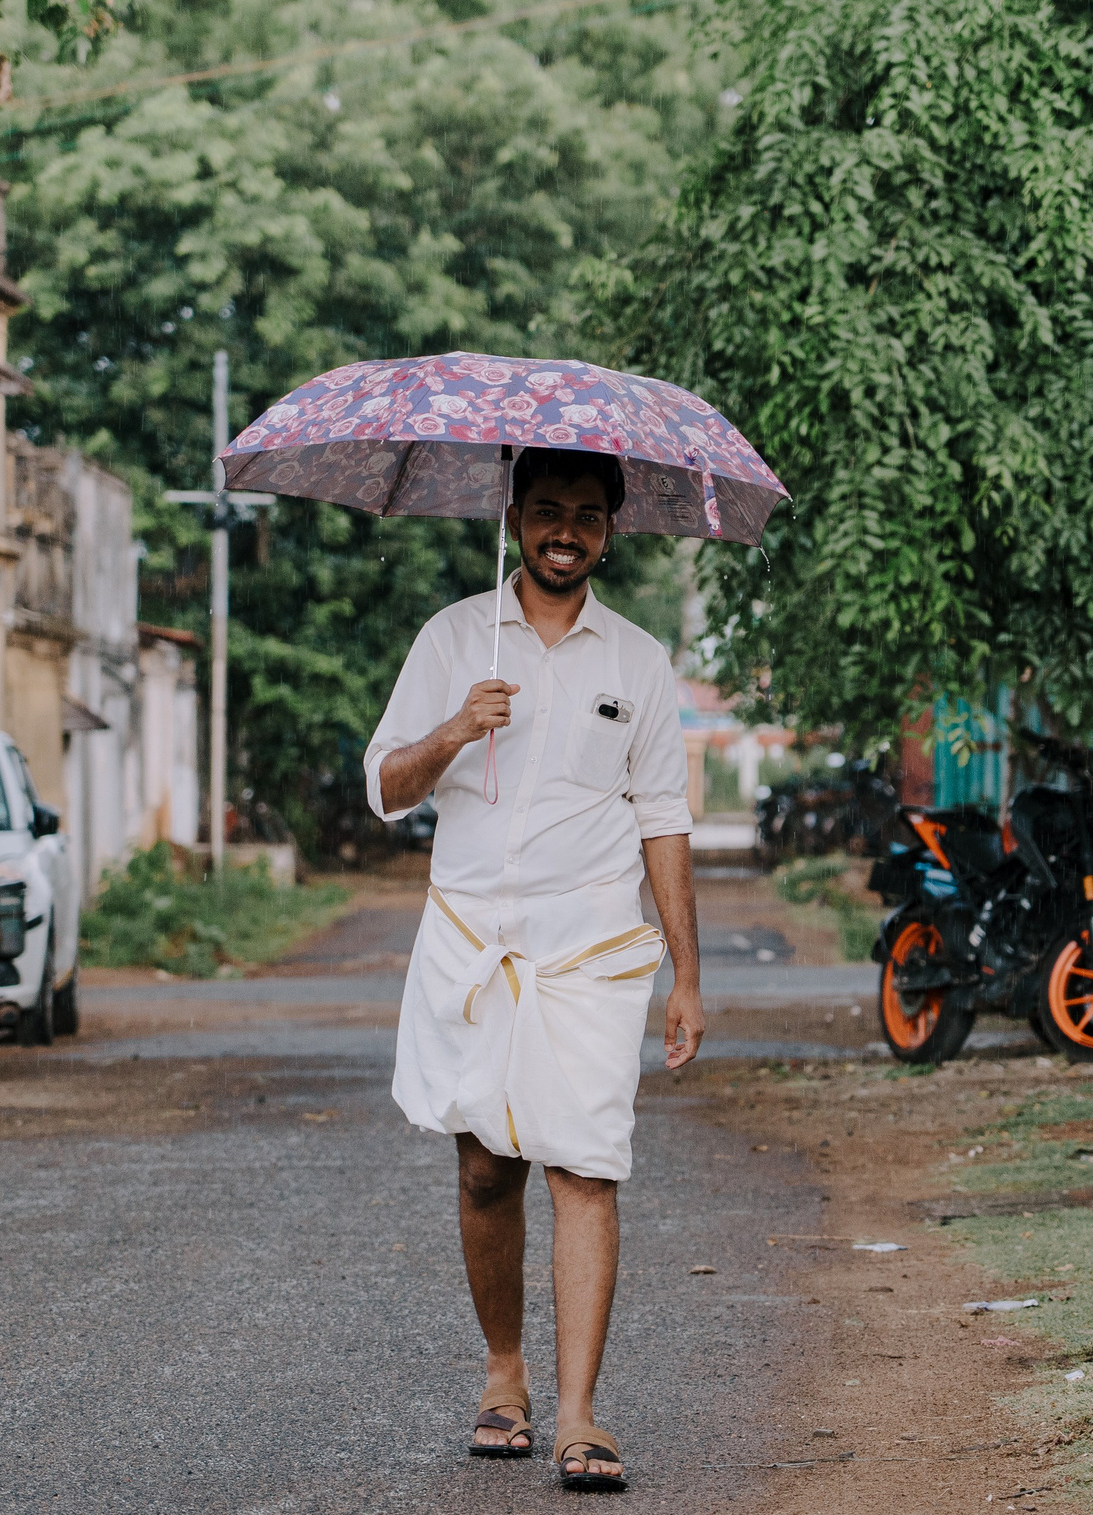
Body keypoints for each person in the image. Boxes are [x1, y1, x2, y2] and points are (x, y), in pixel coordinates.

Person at [367, 445, 706, 1492]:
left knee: (585, 1165)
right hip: (472, 938)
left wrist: (686, 976)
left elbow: (662, 820)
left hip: (594, 948)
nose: (567, 531)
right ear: (514, 515)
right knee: (485, 1169)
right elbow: (386, 785)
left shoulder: (638, 662)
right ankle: (502, 1375)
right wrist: (457, 727)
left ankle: (578, 1416)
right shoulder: (455, 638)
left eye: (588, 516)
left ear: (612, 529)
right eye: (548, 510)